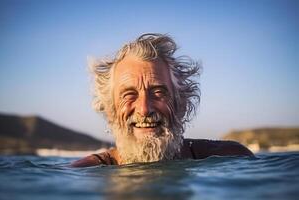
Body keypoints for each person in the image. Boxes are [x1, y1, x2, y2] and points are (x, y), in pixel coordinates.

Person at [71, 33, 253, 167]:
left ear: (181, 102)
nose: (144, 109)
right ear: (110, 110)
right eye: (129, 95)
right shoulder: (83, 171)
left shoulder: (233, 158)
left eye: (158, 92)